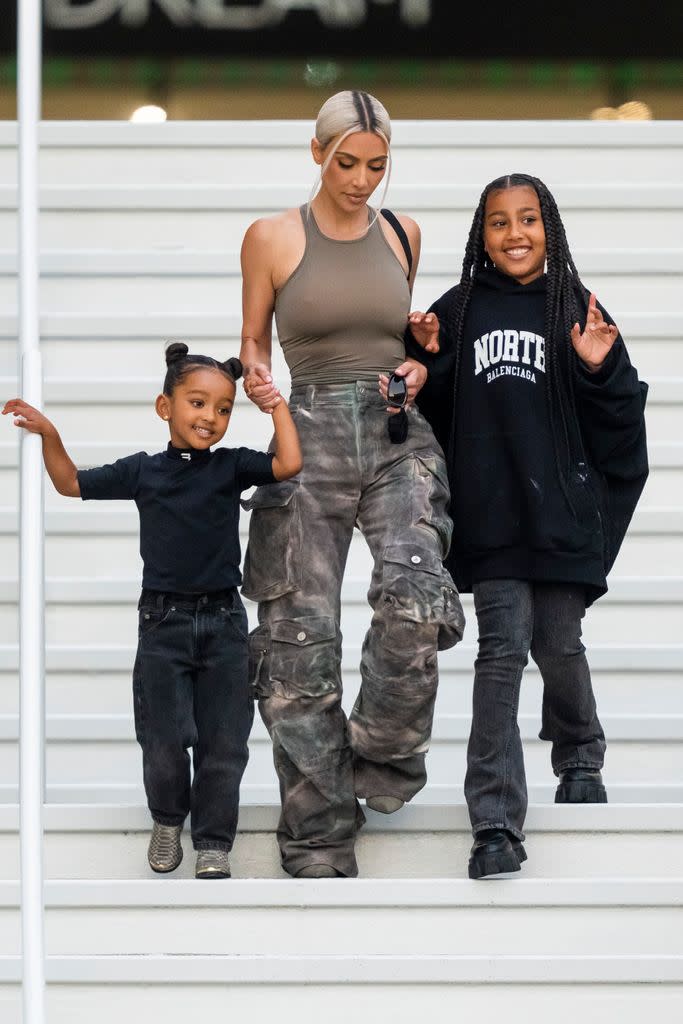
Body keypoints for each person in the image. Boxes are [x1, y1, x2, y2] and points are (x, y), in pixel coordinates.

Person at [239, 90, 465, 879]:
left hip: (398, 429)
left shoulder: (404, 232)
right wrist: (258, 390)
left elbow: (404, 339)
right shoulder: (271, 236)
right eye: (347, 163)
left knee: (416, 595)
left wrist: (420, 359)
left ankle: (377, 753)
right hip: (308, 433)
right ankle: (317, 834)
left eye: (376, 165)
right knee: (298, 641)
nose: (362, 179)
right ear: (316, 153)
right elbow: (253, 346)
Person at [404, 173, 649, 879]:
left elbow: (620, 421)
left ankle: (578, 752)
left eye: (528, 219)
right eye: (498, 223)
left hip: (562, 512)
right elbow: (430, 409)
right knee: (500, 649)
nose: (514, 234)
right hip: (492, 514)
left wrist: (598, 372)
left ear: (551, 227)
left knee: (559, 642)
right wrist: (429, 354)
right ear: (479, 236)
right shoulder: (458, 308)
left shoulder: (576, 309)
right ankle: (493, 822)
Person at [3, 343, 302, 879]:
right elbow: (71, 483)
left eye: (223, 408)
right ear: (165, 407)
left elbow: (288, 462)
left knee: (223, 743)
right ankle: (169, 820)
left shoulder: (232, 467)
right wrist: (51, 435)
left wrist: (273, 404)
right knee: (164, 741)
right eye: (197, 403)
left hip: (224, 623)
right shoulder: (144, 472)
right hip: (163, 624)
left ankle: (212, 841)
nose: (210, 417)